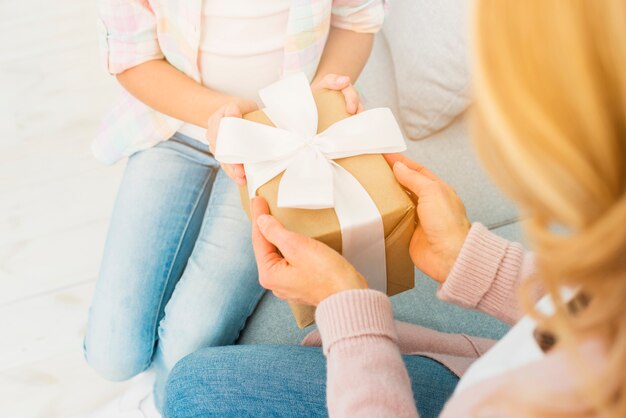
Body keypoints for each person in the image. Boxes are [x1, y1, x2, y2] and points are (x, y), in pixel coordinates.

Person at [164, 0, 626, 416]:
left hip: (487, 389)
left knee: (187, 387)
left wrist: (345, 309)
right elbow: (594, 313)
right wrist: (468, 258)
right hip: (516, 362)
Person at [84, 0, 385, 414]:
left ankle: (157, 403)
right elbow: (132, 56)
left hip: (276, 143)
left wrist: (315, 100)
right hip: (173, 129)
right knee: (111, 354)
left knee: (191, 339)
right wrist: (216, 114)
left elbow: (357, 18)